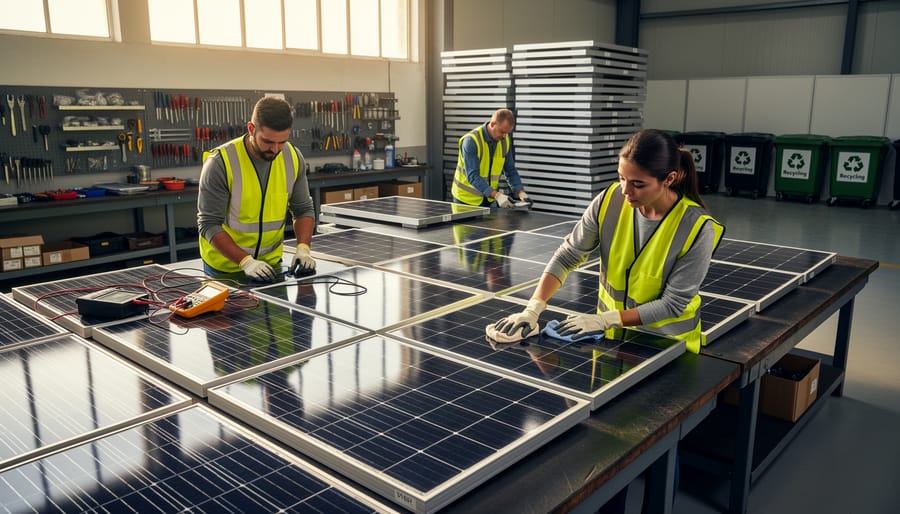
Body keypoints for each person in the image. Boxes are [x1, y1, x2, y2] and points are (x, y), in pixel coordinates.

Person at [489, 128, 725, 355]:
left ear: (669, 179)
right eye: (622, 178)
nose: (625, 190)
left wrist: (606, 319)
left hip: (666, 346)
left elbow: (673, 304)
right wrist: (533, 309)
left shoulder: (697, 227)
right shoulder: (608, 201)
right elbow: (568, 255)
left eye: (638, 184)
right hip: (609, 343)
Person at [197, 96, 316, 282]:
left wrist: (303, 248)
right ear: (251, 129)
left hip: (271, 266)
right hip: (225, 269)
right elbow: (209, 224)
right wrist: (246, 262)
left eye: (282, 141)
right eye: (268, 141)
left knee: (279, 312)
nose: (276, 149)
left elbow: (303, 210)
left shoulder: (292, 157)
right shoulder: (221, 162)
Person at [451, 108, 529, 208]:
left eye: (507, 133)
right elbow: (472, 176)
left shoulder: (504, 141)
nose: (504, 136)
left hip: (489, 199)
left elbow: (510, 170)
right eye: (502, 132)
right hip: (465, 200)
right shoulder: (471, 141)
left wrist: (521, 193)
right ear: (492, 124)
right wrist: (497, 196)